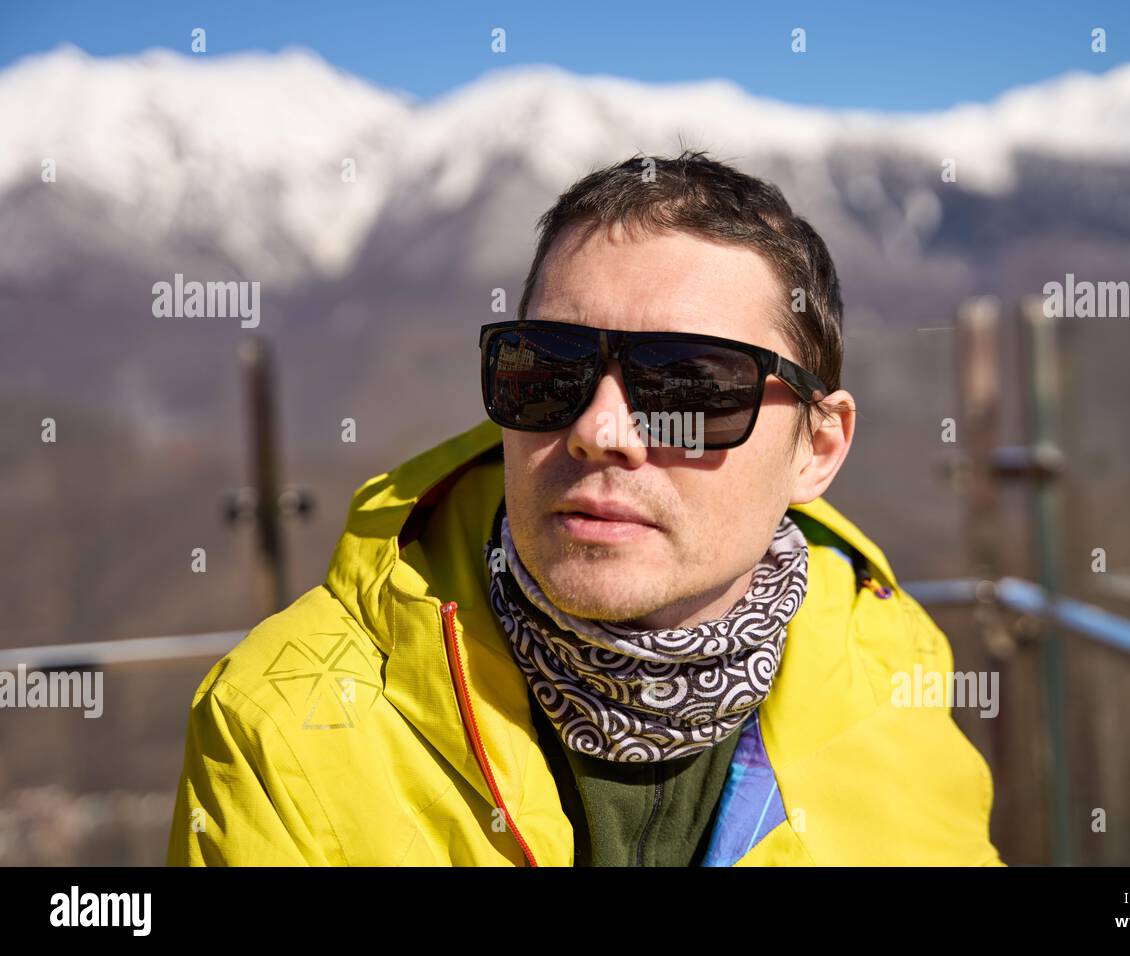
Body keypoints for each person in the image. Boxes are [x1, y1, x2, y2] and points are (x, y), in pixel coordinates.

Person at [167, 150, 1002, 866]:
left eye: (690, 385)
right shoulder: (283, 725)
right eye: (548, 369)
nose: (601, 429)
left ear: (817, 448)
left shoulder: (897, 671)